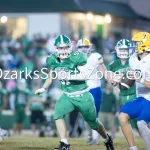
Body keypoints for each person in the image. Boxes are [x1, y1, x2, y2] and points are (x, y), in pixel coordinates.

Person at [35, 35, 114, 150]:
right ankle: (64, 143)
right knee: (57, 114)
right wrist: (44, 88)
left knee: (93, 123)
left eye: (66, 47)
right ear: (56, 48)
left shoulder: (77, 57)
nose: (63, 50)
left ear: (70, 47)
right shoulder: (52, 59)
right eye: (61, 48)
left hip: (82, 94)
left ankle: (107, 138)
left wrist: (69, 75)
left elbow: (84, 75)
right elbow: (51, 74)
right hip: (67, 95)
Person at [119, 32, 150, 150]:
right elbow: (131, 78)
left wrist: (140, 79)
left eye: (136, 43)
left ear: (144, 44)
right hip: (140, 98)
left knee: (141, 123)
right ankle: (133, 148)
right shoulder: (133, 59)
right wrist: (122, 81)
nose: (134, 46)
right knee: (122, 117)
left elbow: (140, 79)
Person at [76, 38, 102, 145]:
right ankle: (91, 136)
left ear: (90, 47)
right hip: (83, 89)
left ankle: (95, 138)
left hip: (95, 88)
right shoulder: (75, 60)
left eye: (85, 46)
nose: (83, 49)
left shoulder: (95, 57)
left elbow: (103, 69)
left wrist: (111, 79)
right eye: (81, 47)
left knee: (93, 115)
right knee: (85, 116)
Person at [108, 39, 137, 131]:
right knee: (134, 123)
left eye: (126, 49)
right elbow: (111, 80)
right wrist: (114, 84)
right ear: (117, 50)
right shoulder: (113, 65)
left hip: (137, 93)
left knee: (142, 120)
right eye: (122, 49)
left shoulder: (134, 61)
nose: (124, 51)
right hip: (124, 95)